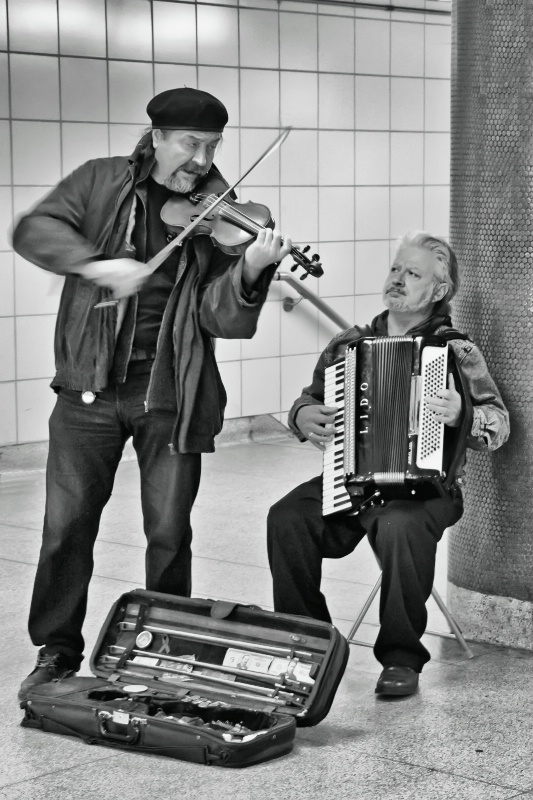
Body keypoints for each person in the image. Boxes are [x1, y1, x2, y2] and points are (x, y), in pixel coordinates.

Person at [14, 87, 292, 701]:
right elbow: (33, 229)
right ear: (158, 136)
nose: (201, 159)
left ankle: (165, 648)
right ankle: (56, 650)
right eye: (190, 143)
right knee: (67, 529)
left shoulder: (223, 212)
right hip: (87, 389)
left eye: (213, 146)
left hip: (169, 389)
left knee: (169, 531)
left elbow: (223, 319)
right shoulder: (101, 181)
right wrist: (95, 265)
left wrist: (248, 270)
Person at [267, 231, 509, 697]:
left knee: (400, 525)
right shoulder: (348, 344)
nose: (397, 279)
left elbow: (498, 425)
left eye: (412, 273)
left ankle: (401, 659)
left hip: (430, 489)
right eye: (396, 269)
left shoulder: (456, 351)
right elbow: (309, 401)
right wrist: (301, 416)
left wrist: (465, 415)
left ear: (437, 291)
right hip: (351, 479)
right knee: (287, 518)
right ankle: (310, 644)